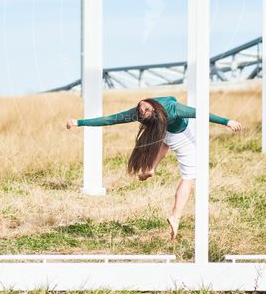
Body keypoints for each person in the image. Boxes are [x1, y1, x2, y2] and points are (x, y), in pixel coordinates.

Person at [66, 95, 242, 240]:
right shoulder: (171, 109)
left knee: (165, 141)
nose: (141, 108)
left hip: (167, 134)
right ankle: (175, 217)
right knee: (189, 177)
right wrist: (227, 121)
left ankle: (151, 168)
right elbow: (199, 113)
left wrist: (78, 122)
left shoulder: (146, 111)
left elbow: (110, 119)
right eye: (143, 111)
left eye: (144, 110)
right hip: (178, 136)